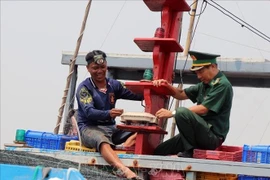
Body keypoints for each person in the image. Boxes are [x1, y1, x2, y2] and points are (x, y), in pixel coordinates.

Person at [76, 50, 143, 179]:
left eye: (102, 67)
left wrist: (153, 86)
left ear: (106, 66)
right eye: (95, 68)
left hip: (111, 129)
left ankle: (122, 149)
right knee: (101, 140)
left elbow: (137, 94)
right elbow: (89, 112)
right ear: (88, 68)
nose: (99, 71)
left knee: (141, 128)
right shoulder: (84, 88)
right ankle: (123, 169)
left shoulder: (114, 84)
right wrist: (109, 113)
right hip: (89, 129)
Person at [153, 51, 233, 158]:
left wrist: (172, 113)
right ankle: (188, 150)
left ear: (213, 66)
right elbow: (181, 94)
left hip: (212, 136)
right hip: (198, 134)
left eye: (201, 71)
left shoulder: (222, 85)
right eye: (196, 73)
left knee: (181, 112)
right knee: (160, 151)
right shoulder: (204, 84)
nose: (199, 76)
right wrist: (166, 86)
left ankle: (190, 151)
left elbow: (203, 109)